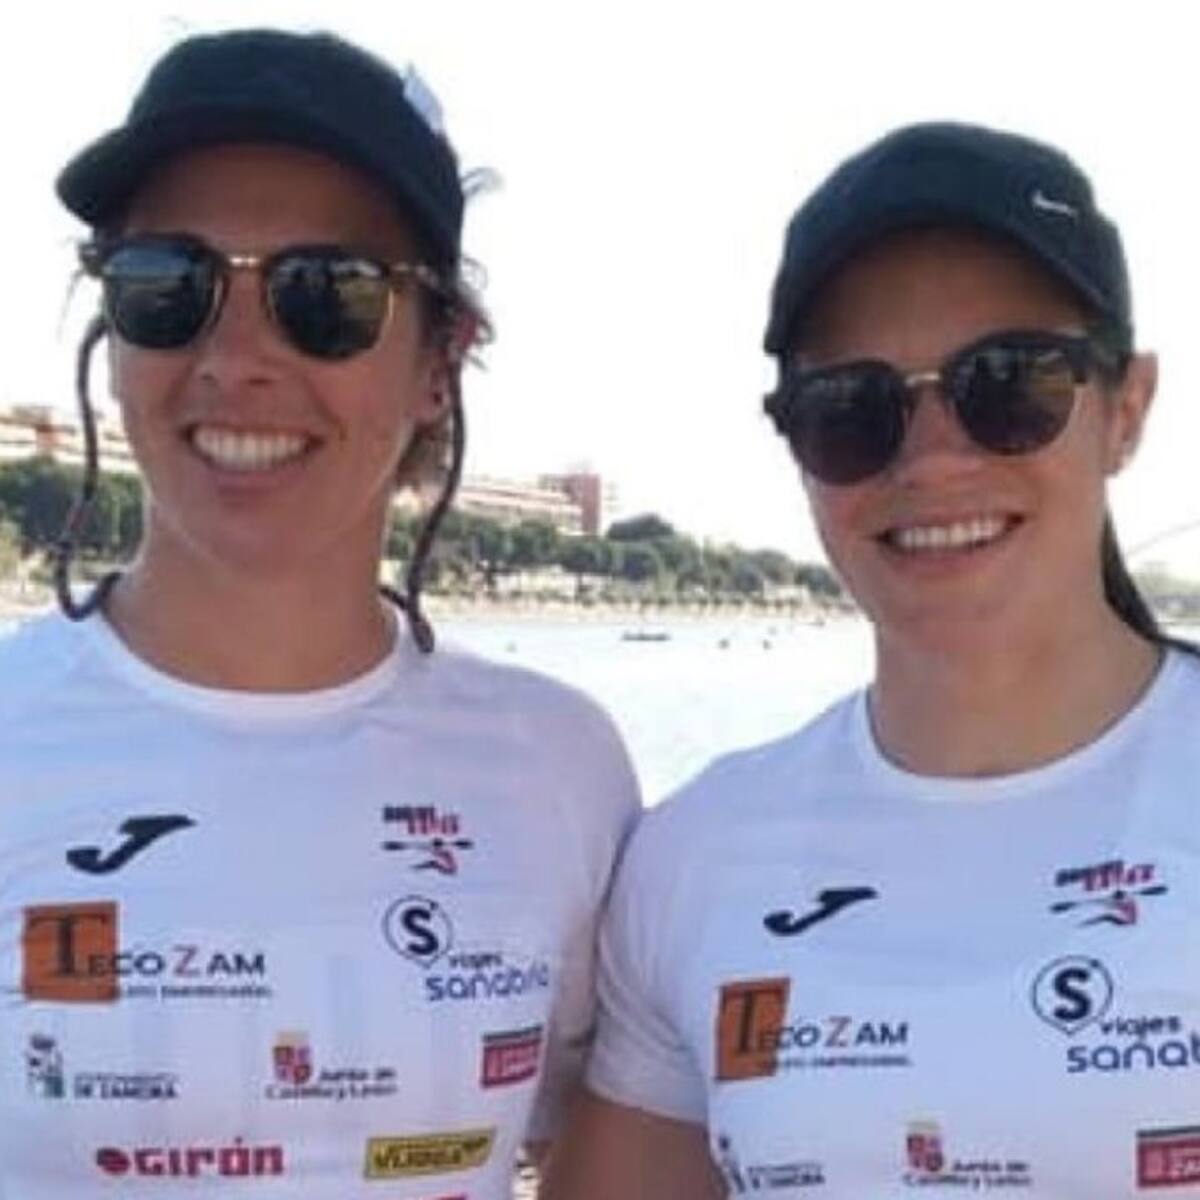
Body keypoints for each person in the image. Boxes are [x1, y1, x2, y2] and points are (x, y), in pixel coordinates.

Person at [0, 28, 640, 1199]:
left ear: (442, 357)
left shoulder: (562, 769)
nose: (236, 358)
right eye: (168, 284)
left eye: (326, 295)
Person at [541, 122, 1200, 1199]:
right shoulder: (696, 856)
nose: (932, 459)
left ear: (1126, 410)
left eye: (1008, 385)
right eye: (853, 410)